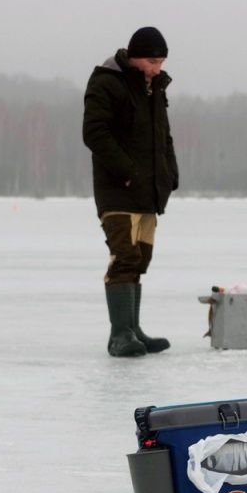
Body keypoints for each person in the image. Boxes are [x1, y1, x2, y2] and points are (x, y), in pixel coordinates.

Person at [82, 26, 179, 357]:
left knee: (139, 259)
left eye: (161, 62)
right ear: (134, 56)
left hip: (149, 192)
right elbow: (94, 133)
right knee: (123, 258)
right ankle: (120, 334)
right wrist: (126, 172)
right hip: (118, 192)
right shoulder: (107, 82)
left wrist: (170, 174)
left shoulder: (155, 89)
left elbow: (163, 136)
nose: (157, 68)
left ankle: (134, 329)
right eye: (152, 61)